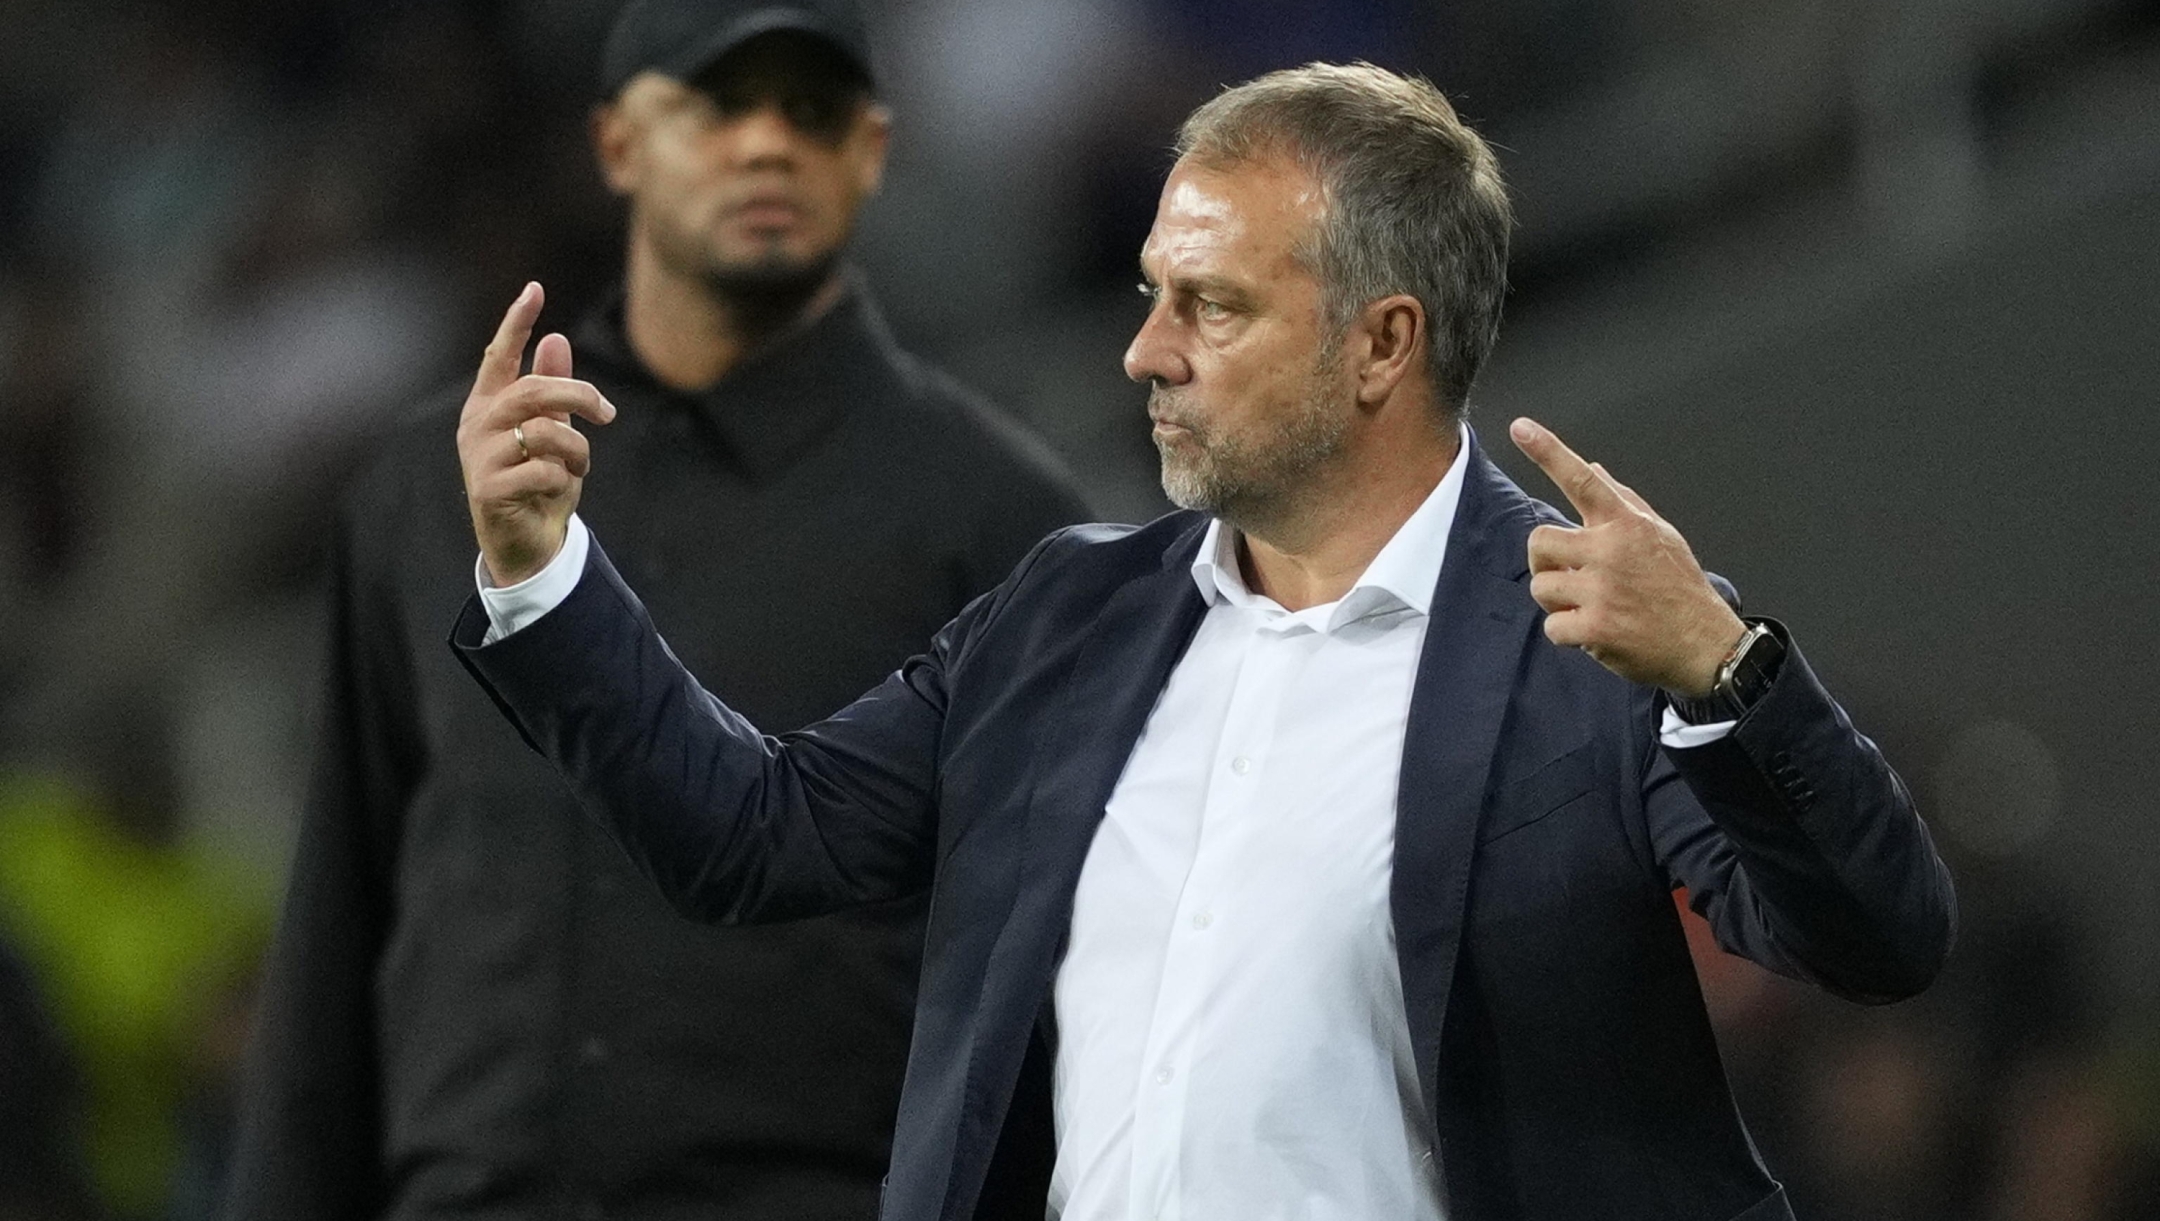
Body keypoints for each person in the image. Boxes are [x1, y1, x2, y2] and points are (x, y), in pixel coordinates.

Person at [448, 63, 1955, 1221]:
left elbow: (1874, 938)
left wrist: (1727, 673)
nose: (1145, 350)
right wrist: (543, 575)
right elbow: (755, 836)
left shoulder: (1597, 632)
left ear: (1383, 343)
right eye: (1153, 294)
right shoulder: (1067, 619)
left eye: (1211, 306)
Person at [225, 2, 1089, 1218]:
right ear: (618, 143)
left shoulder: (993, 515)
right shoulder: (429, 489)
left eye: (811, 109)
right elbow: (336, 935)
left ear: (872, 151)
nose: (765, 145)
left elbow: (1041, 998)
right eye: (714, 105)